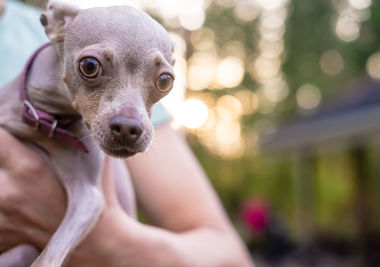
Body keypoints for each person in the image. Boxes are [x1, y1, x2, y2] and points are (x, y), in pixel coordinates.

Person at [0, 0, 253, 266]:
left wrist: (110, 243)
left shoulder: (125, 56)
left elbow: (232, 258)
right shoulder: (65, 41)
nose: (130, 121)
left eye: (162, 81)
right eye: (91, 68)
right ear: (57, 24)